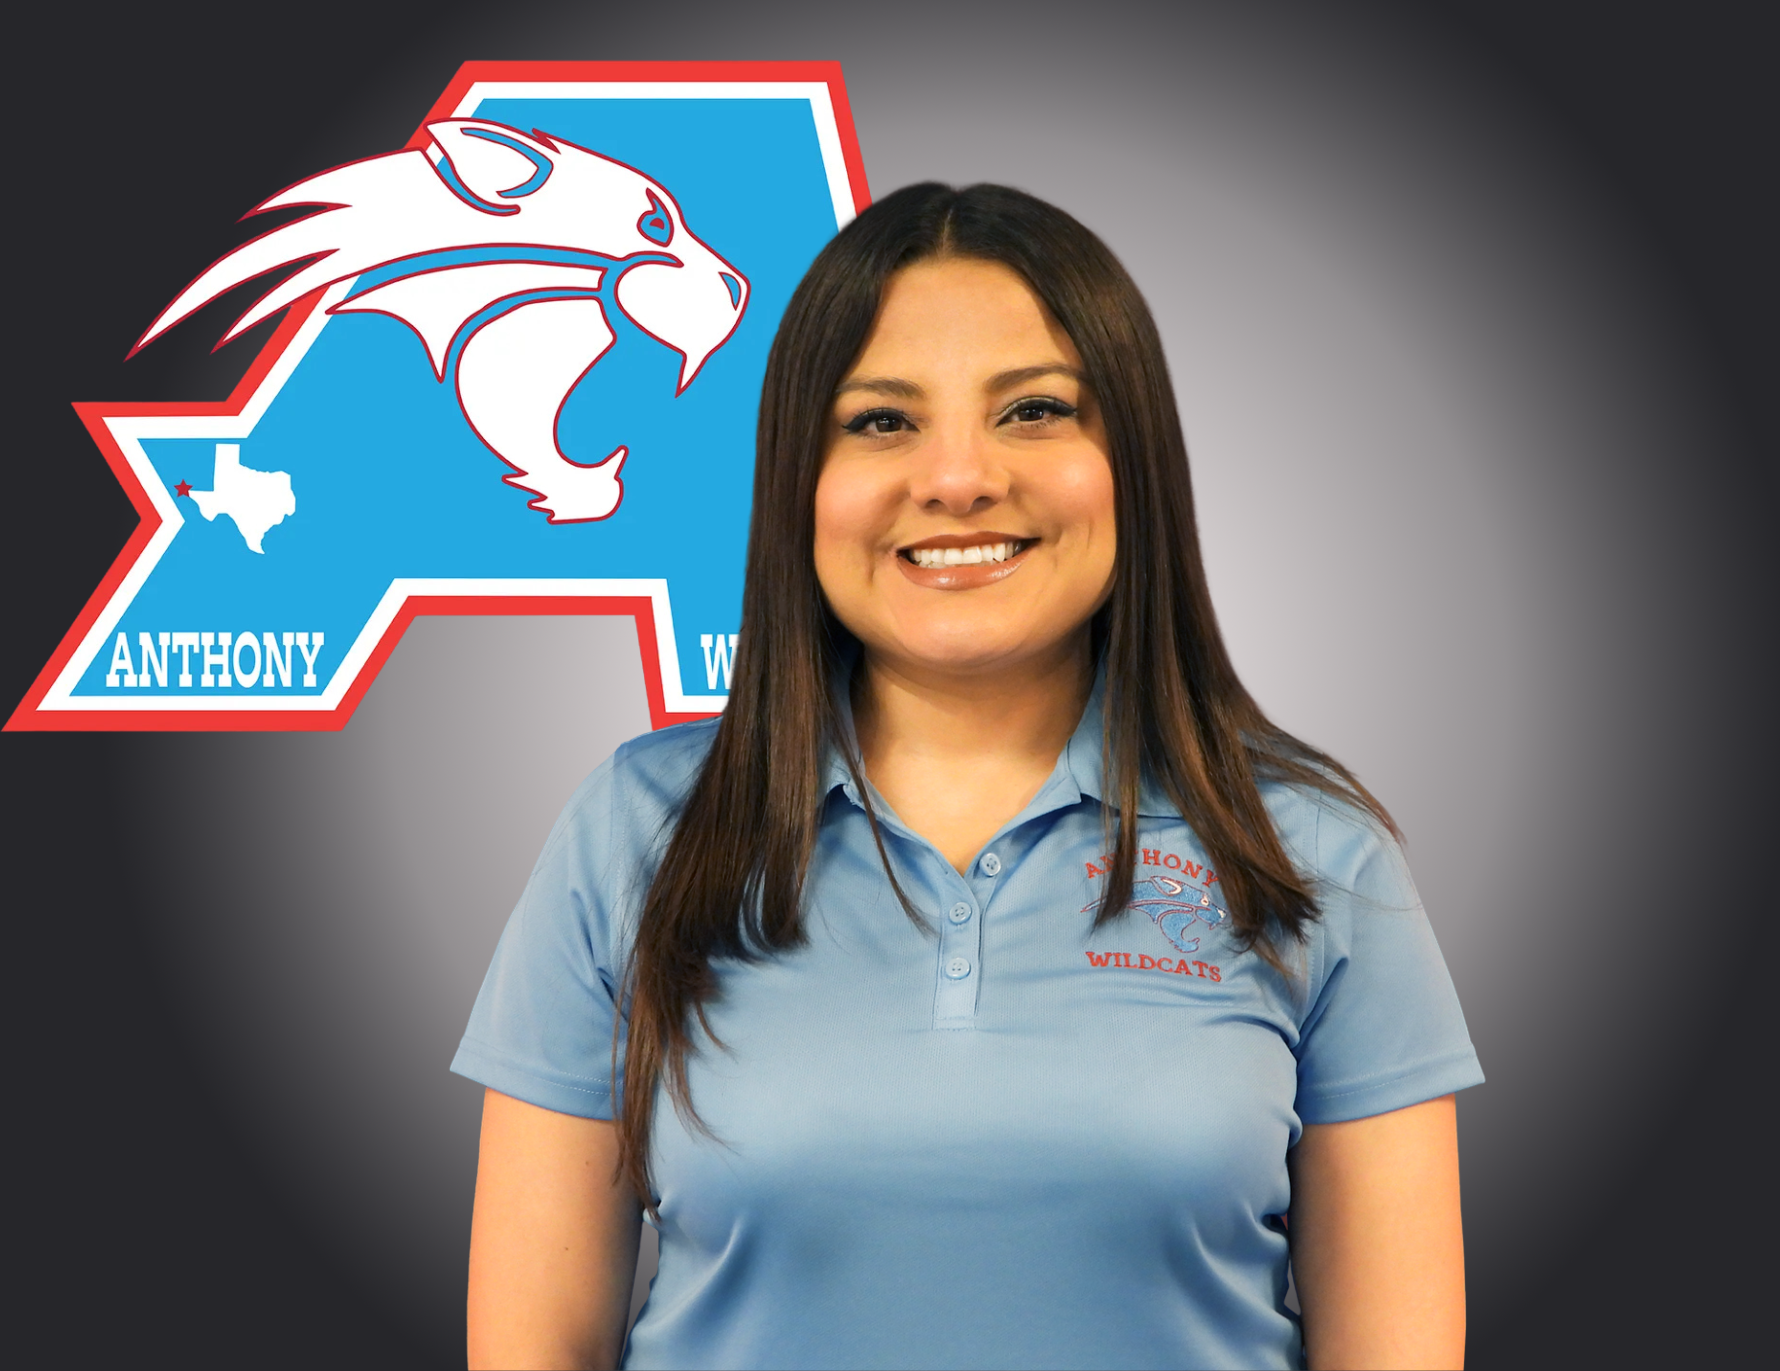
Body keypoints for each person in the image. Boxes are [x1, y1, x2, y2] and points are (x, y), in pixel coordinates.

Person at [456, 183, 1482, 1370]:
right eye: (882, 421)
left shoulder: (1310, 851)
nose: (957, 479)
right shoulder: (633, 833)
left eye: (1034, 411)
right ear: (800, 480)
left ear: (1132, 465)